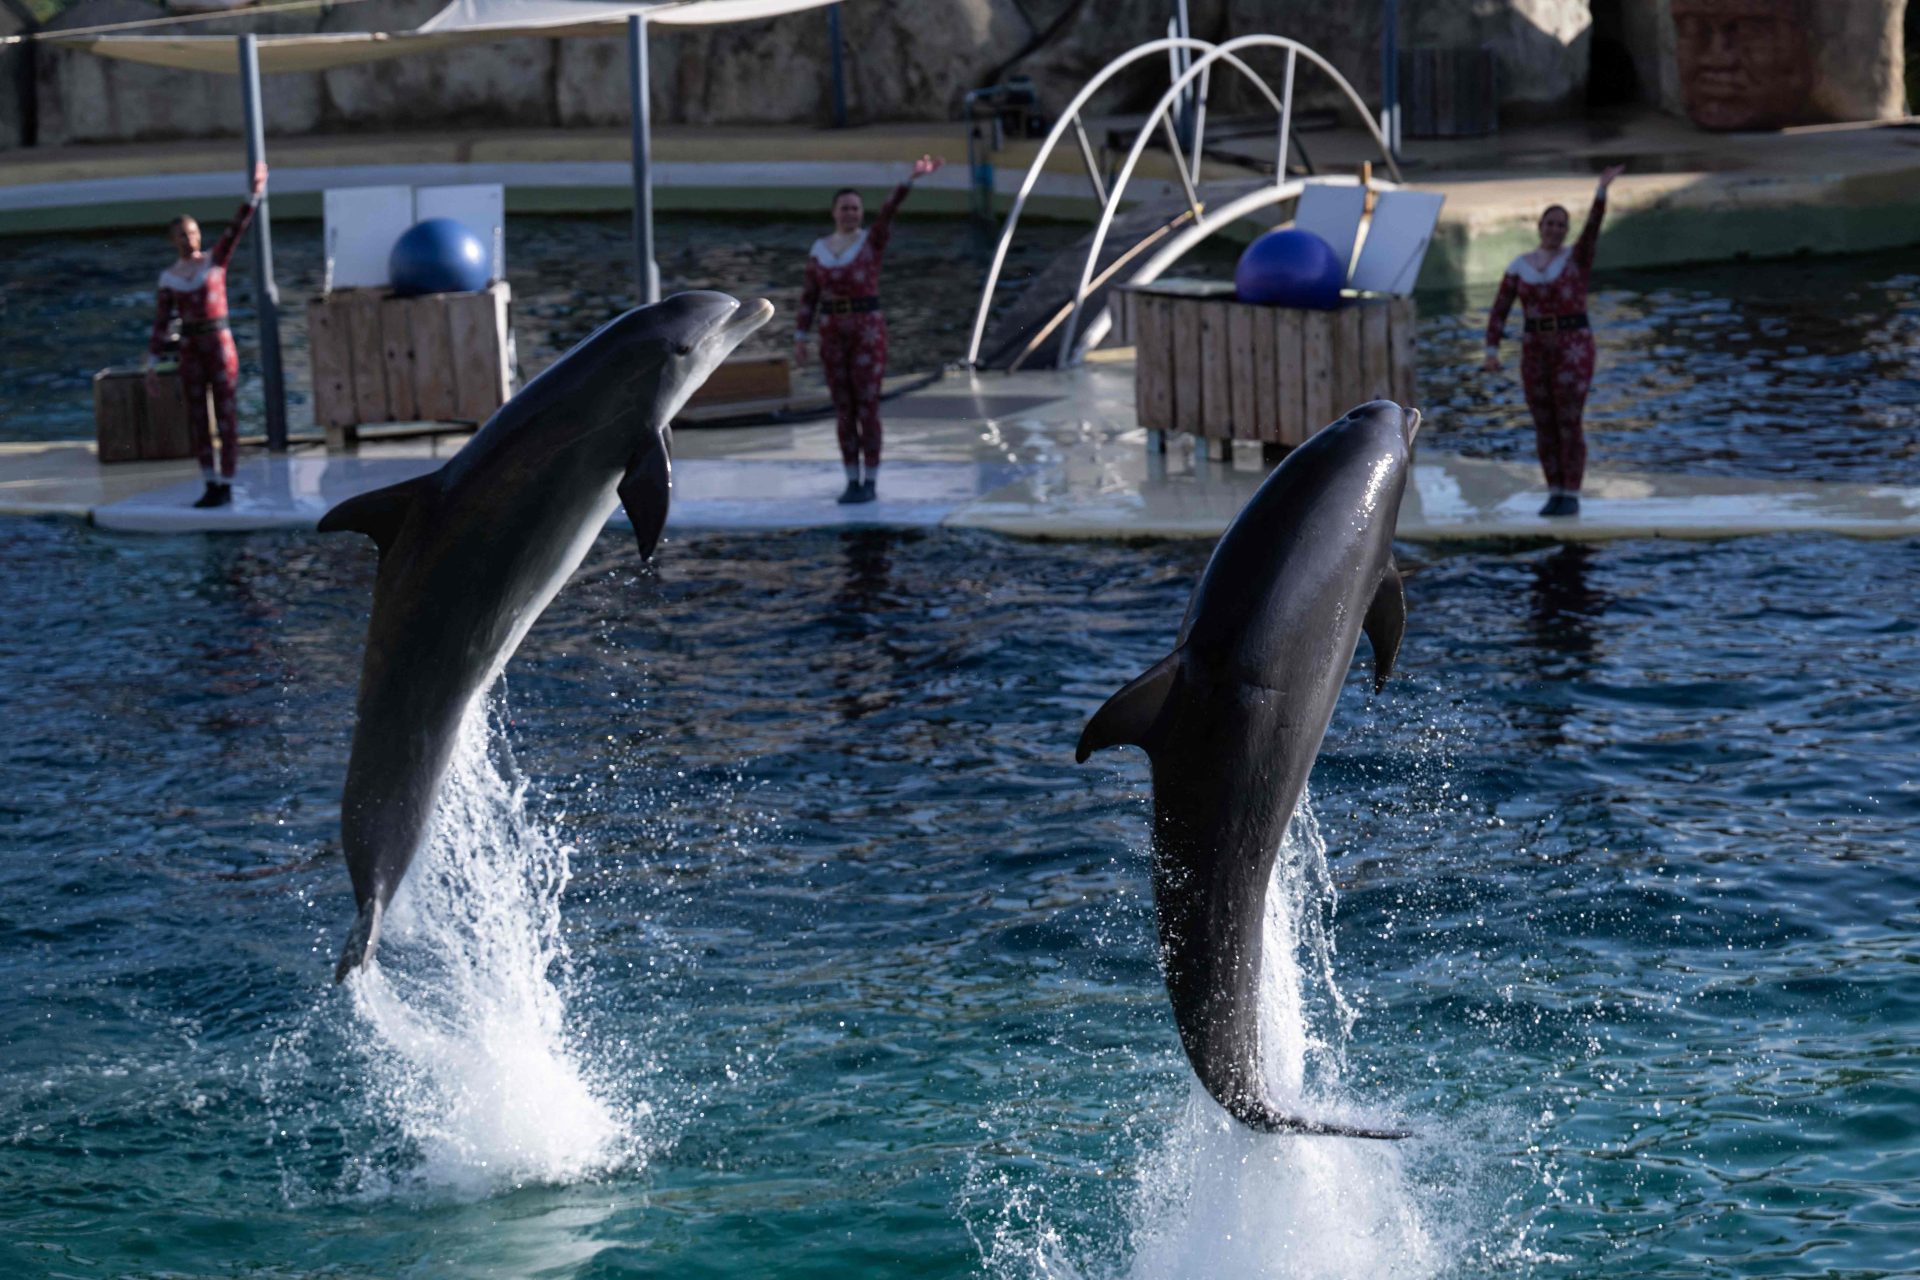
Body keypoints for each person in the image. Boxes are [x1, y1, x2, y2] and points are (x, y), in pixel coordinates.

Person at [794, 153, 943, 505]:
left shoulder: (871, 241)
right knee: (843, 408)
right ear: (834, 212)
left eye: (856, 209)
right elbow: (809, 297)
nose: (850, 213)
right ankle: (851, 480)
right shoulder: (819, 250)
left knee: (868, 406)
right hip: (831, 331)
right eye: (845, 208)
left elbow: (890, 211)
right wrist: (801, 337)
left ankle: (872, 480)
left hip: (867, 330)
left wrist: (911, 179)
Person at [1483, 164, 1626, 517]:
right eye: (1550, 223)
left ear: (1567, 231)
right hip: (1534, 348)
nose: (1555, 229)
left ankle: (1571, 493)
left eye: (1562, 225)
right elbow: (1500, 309)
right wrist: (1491, 350)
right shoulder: (1520, 266)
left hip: (1572, 348)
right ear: (1540, 227)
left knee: (1569, 419)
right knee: (1543, 421)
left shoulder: (1576, 259)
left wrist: (1601, 191)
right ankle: (1554, 491)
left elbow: (1593, 228)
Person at [147, 163, 267, 509]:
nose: (191, 239)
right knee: (198, 417)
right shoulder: (169, 278)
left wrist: (254, 195)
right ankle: (210, 483)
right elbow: (160, 321)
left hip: (219, 343)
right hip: (189, 349)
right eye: (184, 234)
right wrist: (153, 363)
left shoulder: (214, 262)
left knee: (227, 413)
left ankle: (228, 482)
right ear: (173, 240)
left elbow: (236, 229)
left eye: (195, 232)